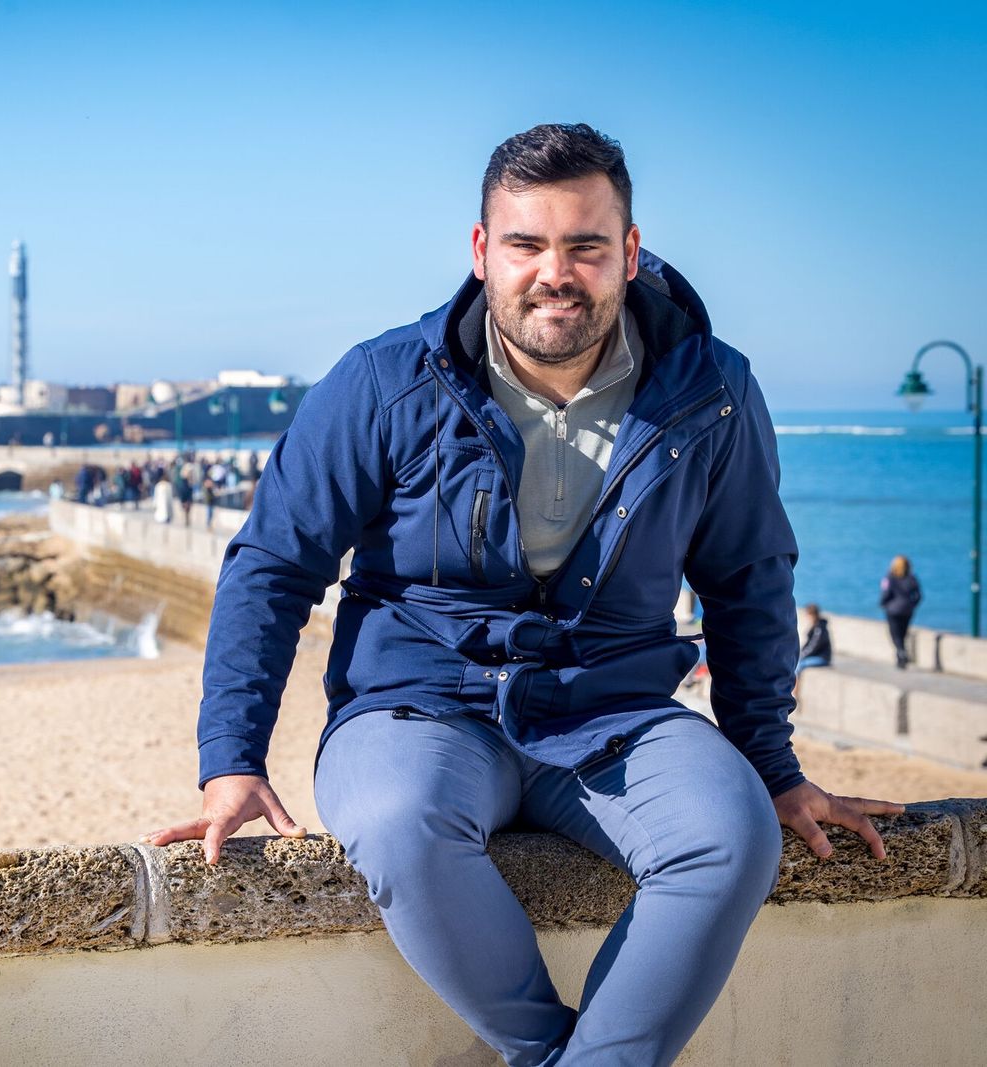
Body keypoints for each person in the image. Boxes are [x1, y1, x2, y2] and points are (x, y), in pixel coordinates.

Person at [141, 124, 901, 1066]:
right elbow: (273, 563)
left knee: (731, 833)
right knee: (397, 825)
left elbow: (748, 582)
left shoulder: (712, 393)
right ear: (481, 251)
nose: (556, 272)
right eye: (526, 244)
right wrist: (232, 757)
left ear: (627, 252)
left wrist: (773, 769)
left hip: (615, 710)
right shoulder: (383, 382)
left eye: (585, 245)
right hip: (415, 708)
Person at [879, 554, 922, 668]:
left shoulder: (889, 577)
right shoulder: (912, 578)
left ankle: (901, 653)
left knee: (895, 634)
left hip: (893, 610)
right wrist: (912, 605)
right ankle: (901, 656)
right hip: (907, 610)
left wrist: (883, 604)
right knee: (903, 633)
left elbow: (885, 593)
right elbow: (918, 596)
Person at [797, 602, 832, 674]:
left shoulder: (819, 628)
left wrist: (801, 655)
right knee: (796, 663)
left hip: (822, 657)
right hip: (815, 655)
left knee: (799, 664)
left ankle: (795, 685)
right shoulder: (815, 626)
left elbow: (813, 646)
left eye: (808, 614)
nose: (806, 617)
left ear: (813, 615)